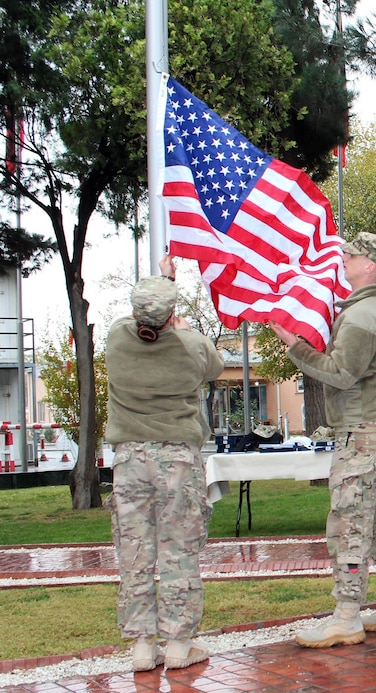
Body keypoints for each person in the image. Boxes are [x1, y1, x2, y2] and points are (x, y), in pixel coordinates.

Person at [270, 231, 376, 647]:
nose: (344, 260)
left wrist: (296, 347)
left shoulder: (362, 316)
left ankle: (347, 614)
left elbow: (340, 373)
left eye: (350, 256)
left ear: (369, 266)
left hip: (362, 430)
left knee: (350, 522)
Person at [104, 256, 225, 672]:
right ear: (173, 315)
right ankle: (178, 644)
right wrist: (185, 327)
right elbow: (215, 365)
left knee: (135, 553)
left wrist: (163, 281)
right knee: (179, 551)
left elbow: (141, 321)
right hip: (176, 459)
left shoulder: (117, 339)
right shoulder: (191, 348)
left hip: (129, 461)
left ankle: (141, 646)